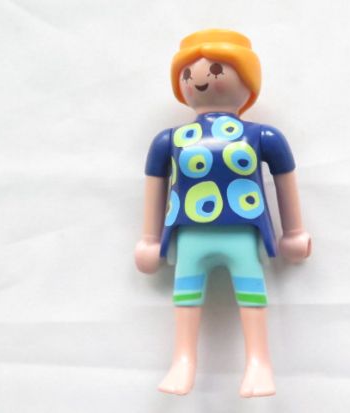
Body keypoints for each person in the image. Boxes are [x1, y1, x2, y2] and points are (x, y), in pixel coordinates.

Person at [134, 28, 311, 397]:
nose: (199, 79)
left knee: (251, 291)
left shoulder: (262, 136)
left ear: (247, 79)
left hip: (242, 231)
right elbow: (155, 184)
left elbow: (285, 179)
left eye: (216, 70)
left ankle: (259, 362)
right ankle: (183, 360)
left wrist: (294, 233)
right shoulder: (169, 139)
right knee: (186, 294)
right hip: (189, 233)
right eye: (187, 73)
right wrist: (149, 239)